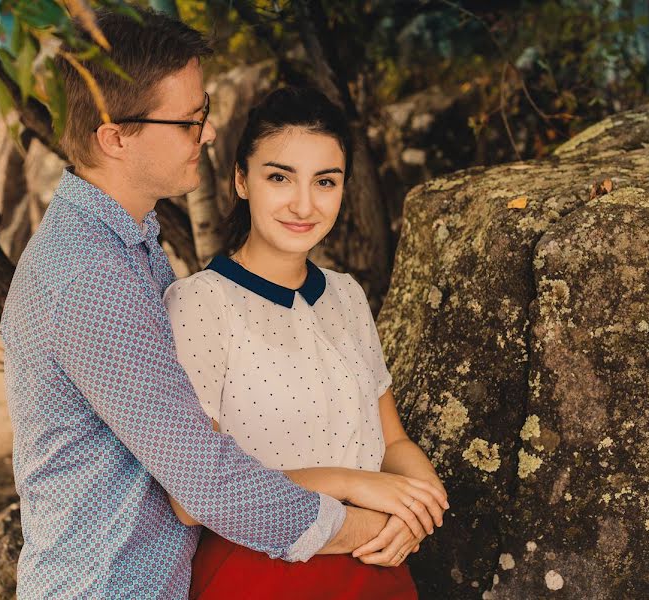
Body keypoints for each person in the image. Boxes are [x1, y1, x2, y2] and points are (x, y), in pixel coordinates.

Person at [0, 8, 446, 599]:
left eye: (203, 114)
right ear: (115, 138)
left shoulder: (131, 247)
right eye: (190, 120)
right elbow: (206, 482)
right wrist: (373, 522)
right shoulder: (87, 277)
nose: (207, 133)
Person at [162, 87, 449, 599]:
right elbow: (193, 497)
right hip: (261, 574)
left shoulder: (346, 295)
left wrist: (420, 507)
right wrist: (350, 484)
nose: (304, 204)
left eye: (325, 182)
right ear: (240, 180)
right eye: (279, 177)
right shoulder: (200, 303)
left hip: (376, 568)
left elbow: (394, 443)